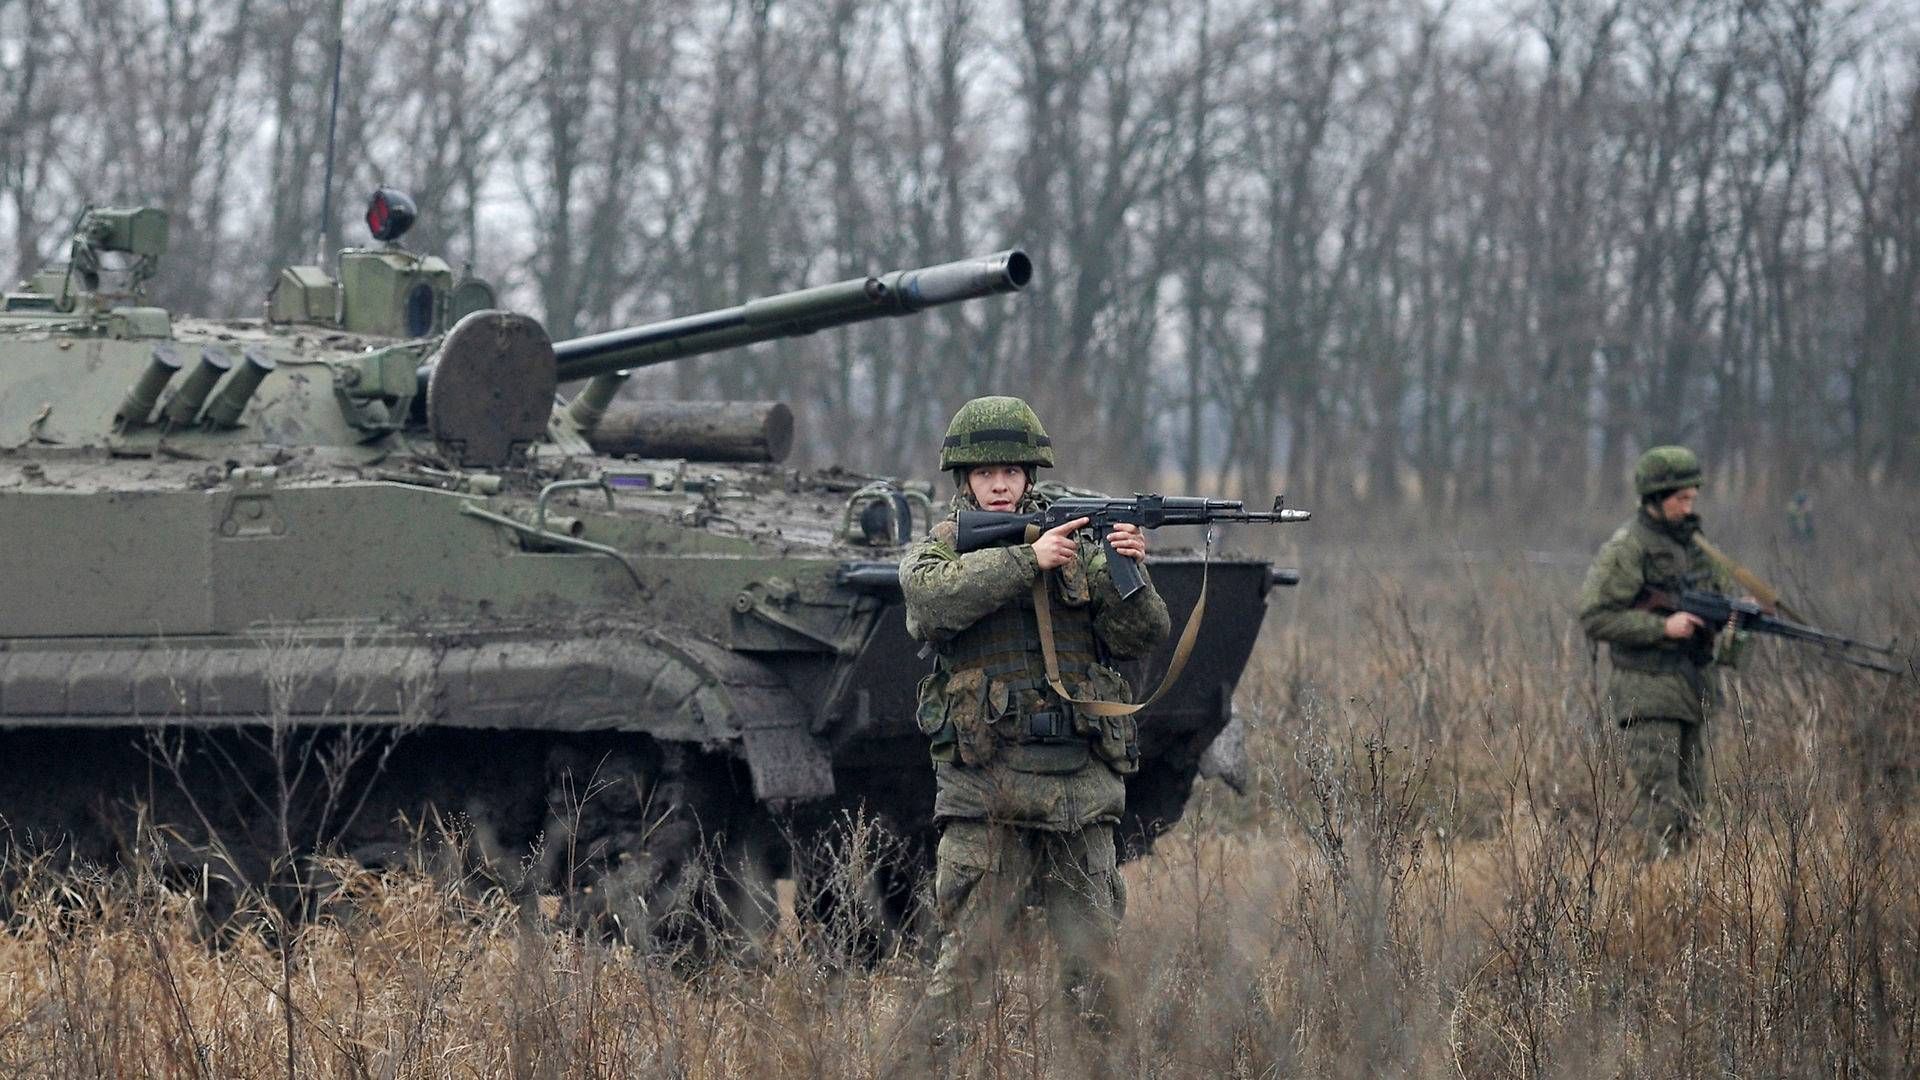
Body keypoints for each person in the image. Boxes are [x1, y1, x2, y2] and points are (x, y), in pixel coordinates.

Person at [898, 395, 1171, 1036]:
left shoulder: (1081, 548)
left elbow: (1142, 635)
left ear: (1031, 476)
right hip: (990, 793)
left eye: (1014, 471)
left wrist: (1130, 566)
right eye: (987, 472)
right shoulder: (940, 550)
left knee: (1097, 978)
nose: (1001, 483)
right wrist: (1029, 560)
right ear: (963, 478)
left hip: (1078, 790)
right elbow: (931, 600)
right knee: (959, 982)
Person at [1578, 445, 1747, 852]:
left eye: (1692, 498)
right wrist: (1662, 627)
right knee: (1662, 807)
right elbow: (1595, 616)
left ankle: (1685, 899)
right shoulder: (1628, 547)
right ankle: (1652, 896)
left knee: (1694, 804)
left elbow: (1718, 595)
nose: (1689, 507)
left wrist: (1732, 617)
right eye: (1680, 498)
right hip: (1648, 691)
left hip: (1691, 688)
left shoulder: (1695, 546)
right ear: (1655, 498)